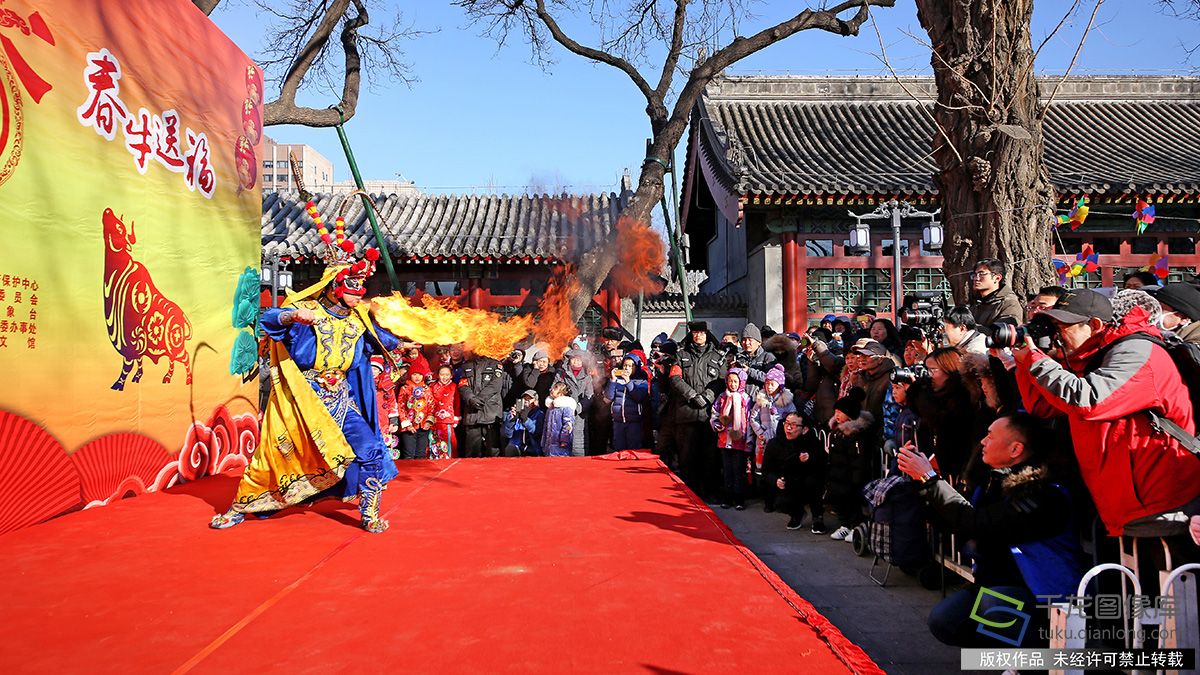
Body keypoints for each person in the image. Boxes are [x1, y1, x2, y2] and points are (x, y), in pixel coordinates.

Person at [210, 234, 400, 533]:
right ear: (336, 286)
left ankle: (369, 513)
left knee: (371, 448)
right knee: (274, 455)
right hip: (303, 401)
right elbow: (269, 319)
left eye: (362, 288)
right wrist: (292, 316)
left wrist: (398, 328)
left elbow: (384, 342)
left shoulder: (358, 320)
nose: (359, 294)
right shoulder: (307, 309)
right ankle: (240, 506)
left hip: (341, 400)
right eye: (353, 288)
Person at [1013, 289, 1200, 536]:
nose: (1056, 335)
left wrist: (1038, 362)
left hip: (1164, 507)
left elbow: (1087, 401)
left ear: (1095, 324)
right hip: (1125, 509)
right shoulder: (1092, 355)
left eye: (1062, 326)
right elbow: (1043, 406)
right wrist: (1025, 361)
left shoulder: (1136, 351)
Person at [897, 413, 1083, 648]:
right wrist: (921, 481)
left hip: (1044, 596)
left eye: (990, 436)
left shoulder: (1042, 492)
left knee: (993, 604)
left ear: (1015, 449)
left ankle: (1041, 661)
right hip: (996, 586)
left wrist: (930, 479)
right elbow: (958, 522)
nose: (983, 441)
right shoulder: (994, 481)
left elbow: (978, 523)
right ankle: (1012, 653)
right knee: (945, 621)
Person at [659, 320, 725, 498]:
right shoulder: (681, 355)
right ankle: (691, 494)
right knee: (687, 457)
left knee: (710, 456)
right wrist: (691, 395)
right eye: (695, 333)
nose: (698, 336)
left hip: (709, 414)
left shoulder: (717, 357)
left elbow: (721, 381)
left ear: (707, 334)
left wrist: (707, 396)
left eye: (701, 333)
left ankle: (711, 492)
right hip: (685, 414)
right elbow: (674, 379)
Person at [762, 412, 828, 533]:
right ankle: (797, 514)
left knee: (813, 483)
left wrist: (810, 458)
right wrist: (775, 480)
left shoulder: (813, 443)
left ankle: (817, 517)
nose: (788, 427)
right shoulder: (774, 444)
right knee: (780, 502)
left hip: (809, 481)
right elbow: (766, 470)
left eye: (793, 425)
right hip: (787, 482)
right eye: (786, 423)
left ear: (804, 429)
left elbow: (824, 463)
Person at [825, 387, 876, 541]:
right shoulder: (835, 432)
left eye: (841, 412)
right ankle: (845, 525)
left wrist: (857, 478)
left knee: (854, 502)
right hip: (837, 475)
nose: (837, 415)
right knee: (840, 502)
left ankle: (857, 526)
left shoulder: (857, 435)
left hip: (851, 477)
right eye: (836, 412)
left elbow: (859, 460)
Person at [711, 367, 753, 510]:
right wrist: (717, 425)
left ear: (741, 382)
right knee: (727, 470)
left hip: (739, 441)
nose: (732, 384)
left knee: (738, 471)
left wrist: (748, 440)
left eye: (735, 381)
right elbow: (715, 413)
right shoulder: (722, 397)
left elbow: (748, 419)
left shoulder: (746, 399)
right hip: (724, 440)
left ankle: (739, 498)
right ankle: (727, 498)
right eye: (730, 381)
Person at [459, 351, 511, 458]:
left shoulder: (496, 364)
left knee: (493, 451)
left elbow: (495, 385)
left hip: (491, 413)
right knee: (472, 451)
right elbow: (462, 385)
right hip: (472, 414)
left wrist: (479, 399)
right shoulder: (466, 365)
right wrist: (471, 399)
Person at [750, 364, 796, 473]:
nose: (769, 387)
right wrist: (761, 433)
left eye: (772, 384)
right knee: (763, 467)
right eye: (767, 384)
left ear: (779, 385)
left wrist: (786, 434)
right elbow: (753, 418)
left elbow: (794, 418)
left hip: (781, 439)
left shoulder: (787, 402)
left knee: (779, 467)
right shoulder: (761, 400)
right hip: (763, 440)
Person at [605, 354, 649, 451]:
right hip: (618, 421)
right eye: (625, 365)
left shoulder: (641, 381)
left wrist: (628, 382)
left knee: (633, 450)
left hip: (634, 422)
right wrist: (612, 380)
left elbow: (639, 397)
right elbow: (609, 396)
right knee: (619, 450)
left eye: (630, 366)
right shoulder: (617, 380)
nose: (627, 368)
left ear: (636, 367)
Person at [555, 349, 595, 456]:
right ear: (569, 360)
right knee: (562, 443)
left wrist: (578, 408)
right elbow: (554, 391)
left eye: (579, 360)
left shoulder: (587, 377)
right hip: (563, 414)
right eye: (574, 359)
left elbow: (589, 396)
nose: (576, 362)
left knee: (579, 445)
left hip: (580, 416)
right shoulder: (561, 374)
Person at [968, 258, 1023, 335]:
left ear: (997, 278)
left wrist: (968, 327)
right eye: (974, 275)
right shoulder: (977, 303)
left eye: (981, 274)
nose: (976, 278)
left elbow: (1002, 333)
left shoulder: (1009, 303)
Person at [396, 365, 435, 459]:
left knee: (421, 455)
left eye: (420, 375)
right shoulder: (405, 388)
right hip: (409, 427)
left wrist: (428, 421)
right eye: (414, 374)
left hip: (423, 426)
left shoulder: (427, 389)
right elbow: (400, 407)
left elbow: (432, 406)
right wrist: (407, 424)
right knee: (409, 455)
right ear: (410, 375)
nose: (417, 377)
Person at [736, 322, 778, 398]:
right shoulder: (739, 357)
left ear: (759, 342)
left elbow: (770, 378)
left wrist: (749, 371)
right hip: (741, 400)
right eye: (744, 340)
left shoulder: (768, 356)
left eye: (750, 340)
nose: (747, 343)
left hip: (760, 400)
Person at [429, 364, 460, 459]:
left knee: (450, 444)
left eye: (447, 375)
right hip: (435, 421)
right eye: (442, 374)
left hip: (448, 421)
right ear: (438, 375)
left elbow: (457, 403)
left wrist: (456, 418)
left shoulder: (454, 387)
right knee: (435, 443)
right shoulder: (432, 386)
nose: (444, 377)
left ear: (451, 376)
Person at [502, 390, 544, 456]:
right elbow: (507, 434)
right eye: (525, 399)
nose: (526, 402)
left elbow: (536, 432)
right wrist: (512, 420)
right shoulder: (516, 412)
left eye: (529, 399)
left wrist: (525, 420)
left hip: (532, 449)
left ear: (536, 402)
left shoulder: (539, 415)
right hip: (516, 448)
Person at [542, 381, 577, 457]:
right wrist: (544, 441)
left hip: (561, 447)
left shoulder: (566, 407)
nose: (552, 389)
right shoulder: (550, 408)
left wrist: (564, 440)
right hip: (549, 446)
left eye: (555, 388)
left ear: (561, 394)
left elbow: (568, 424)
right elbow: (546, 426)